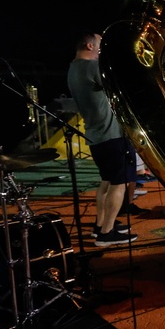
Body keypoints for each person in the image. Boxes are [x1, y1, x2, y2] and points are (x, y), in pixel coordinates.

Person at [66, 31, 139, 247]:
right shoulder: (92, 67)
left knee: (107, 181)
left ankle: (101, 225)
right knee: (121, 182)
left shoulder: (74, 68)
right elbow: (121, 84)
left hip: (97, 135)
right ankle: (106, 234)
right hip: (112, 135)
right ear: (90, 46)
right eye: (99, 45)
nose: (101, 49)